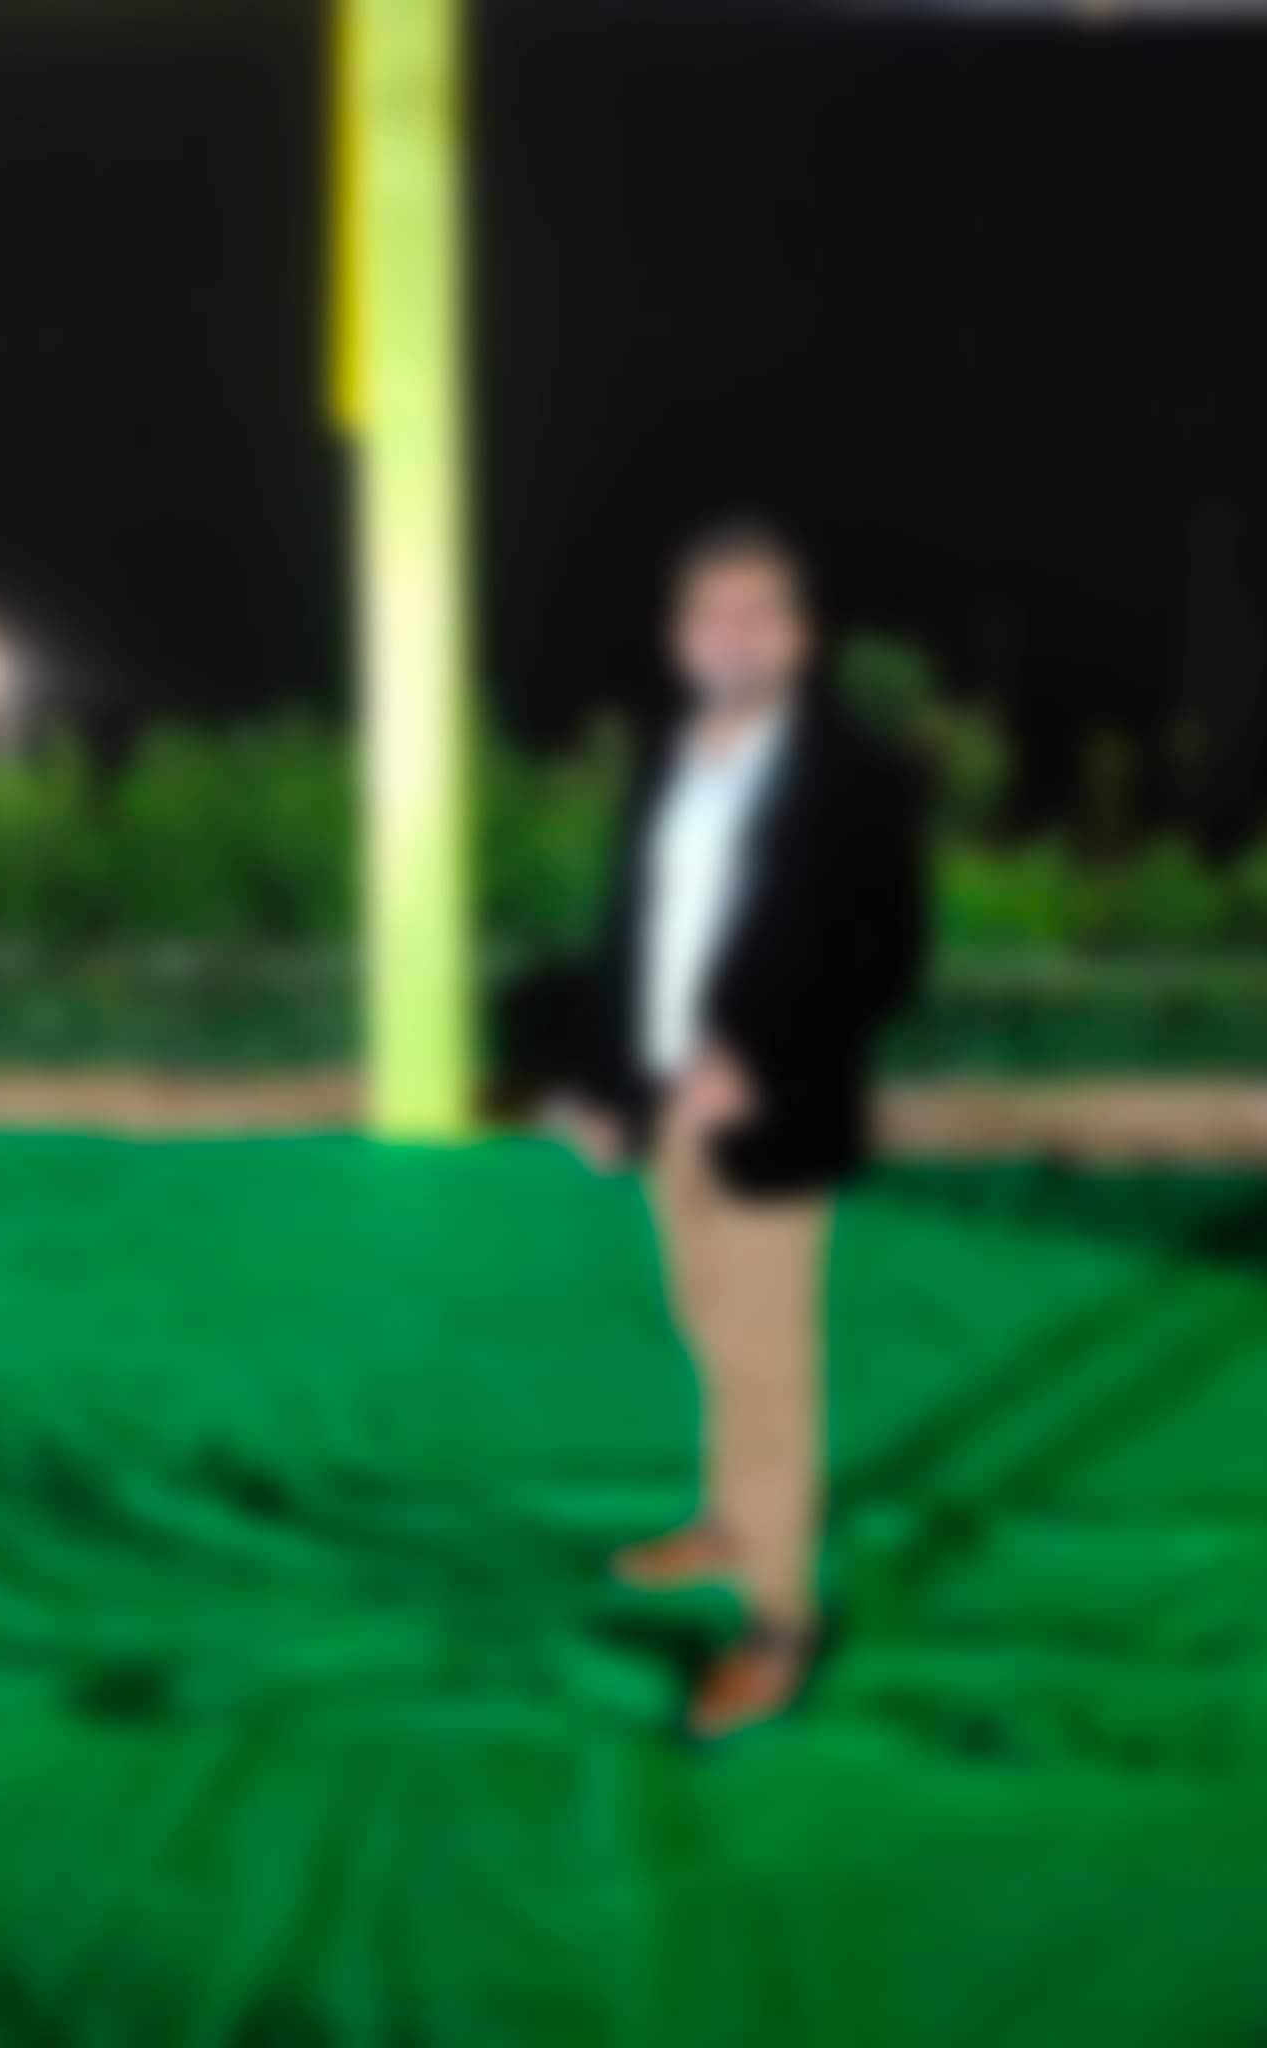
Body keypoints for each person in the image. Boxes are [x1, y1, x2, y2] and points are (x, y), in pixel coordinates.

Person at [561, 516, 926, 1738]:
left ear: (799, 636)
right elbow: (630, 931)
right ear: (681, 638)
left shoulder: (859, 776)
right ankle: (728, 1518)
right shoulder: (667, 758)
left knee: (767, 1359)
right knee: (707, 1321)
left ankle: (779, 1617)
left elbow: (888, 958)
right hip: (664, 1096)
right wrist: (609, 1085)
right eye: (712, 612)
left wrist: (761, 1062)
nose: (735, 632)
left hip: (774, 1113)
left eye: (759, 610)